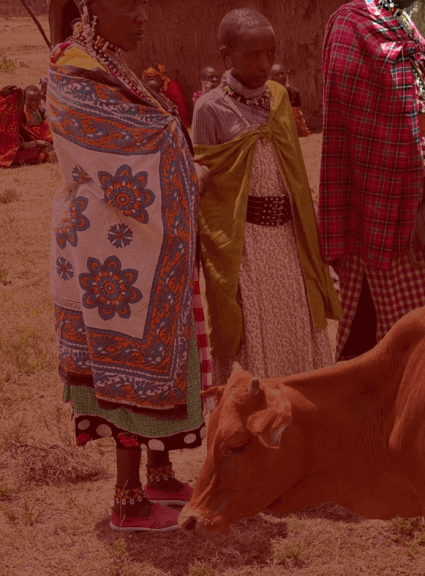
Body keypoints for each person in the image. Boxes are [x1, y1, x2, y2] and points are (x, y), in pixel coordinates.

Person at [48, 0, 211, 532]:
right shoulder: (74, 70)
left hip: (138, 241)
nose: (143, 16)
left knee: (160, 355)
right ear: (90, 7)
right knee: (126, 368)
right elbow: (139, 145)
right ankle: (127, 500)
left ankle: (160, 474)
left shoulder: (108, 64)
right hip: (112, 250)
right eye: (129, 4)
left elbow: (154, 133)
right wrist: (183, 163)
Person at [193, 9, 341, 385]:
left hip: (289, 242)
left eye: (270, 53)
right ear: (226, 55)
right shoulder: (209, 108)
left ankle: (300, 409)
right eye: (252, 55)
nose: (264, 64)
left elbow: (294, 174)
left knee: (297, 324)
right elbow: (209, 193)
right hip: (245, 248)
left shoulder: (278, 98)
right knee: (254, 335)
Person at [320, 0, 425, 359]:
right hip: (379, 200)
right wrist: (408, 166)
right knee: (389, 326)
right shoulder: (351, 24)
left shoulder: (404, 26)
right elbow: (356, 114)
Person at [142, 64, 191, 129]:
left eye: (153, 78)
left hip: (177, 122)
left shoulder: (174, 87)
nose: (151, 81)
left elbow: (181, 109)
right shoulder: (157, 88)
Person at [269, 64, 311, 137]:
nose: (280, 76)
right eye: (277, 75)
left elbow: (295, 116)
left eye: (282, 73)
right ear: (272, 79)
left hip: (289, 128)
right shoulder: (268, 93)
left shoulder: (293, 93)